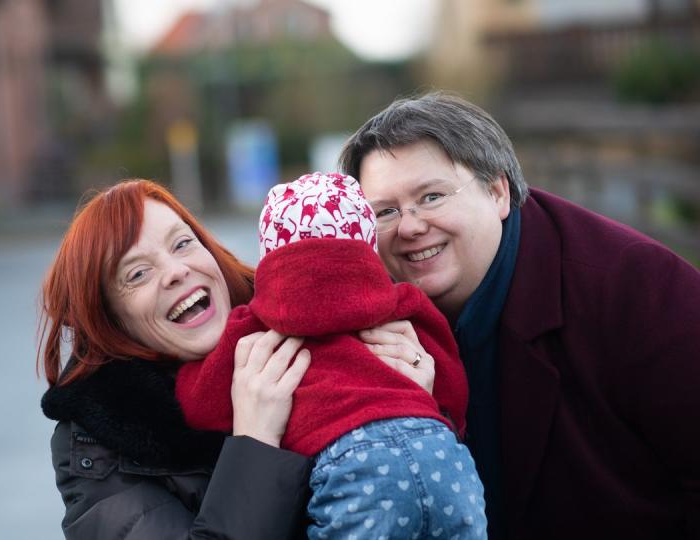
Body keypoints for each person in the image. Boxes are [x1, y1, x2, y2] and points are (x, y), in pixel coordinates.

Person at [337, 92, 700, 540]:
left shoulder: (635, 287)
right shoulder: (361, 325)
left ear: (497, 192)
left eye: (431, 197)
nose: (410, 226)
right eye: (385, 211)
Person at [37, 179, 437, 539]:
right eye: (138, 273)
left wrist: (411, 408)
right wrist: (255, 442)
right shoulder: (95, 453)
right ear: (110, 320)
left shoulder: (309, 319)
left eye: (182, 243)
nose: (176, 271)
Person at [175, 171, 487, 539]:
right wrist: (447, 416)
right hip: (439, 451)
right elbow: (450, 379)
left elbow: (202, 403)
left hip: (353, 467)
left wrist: (185, 377)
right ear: (367, 244)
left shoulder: (254, 327)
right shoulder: (402, 303)